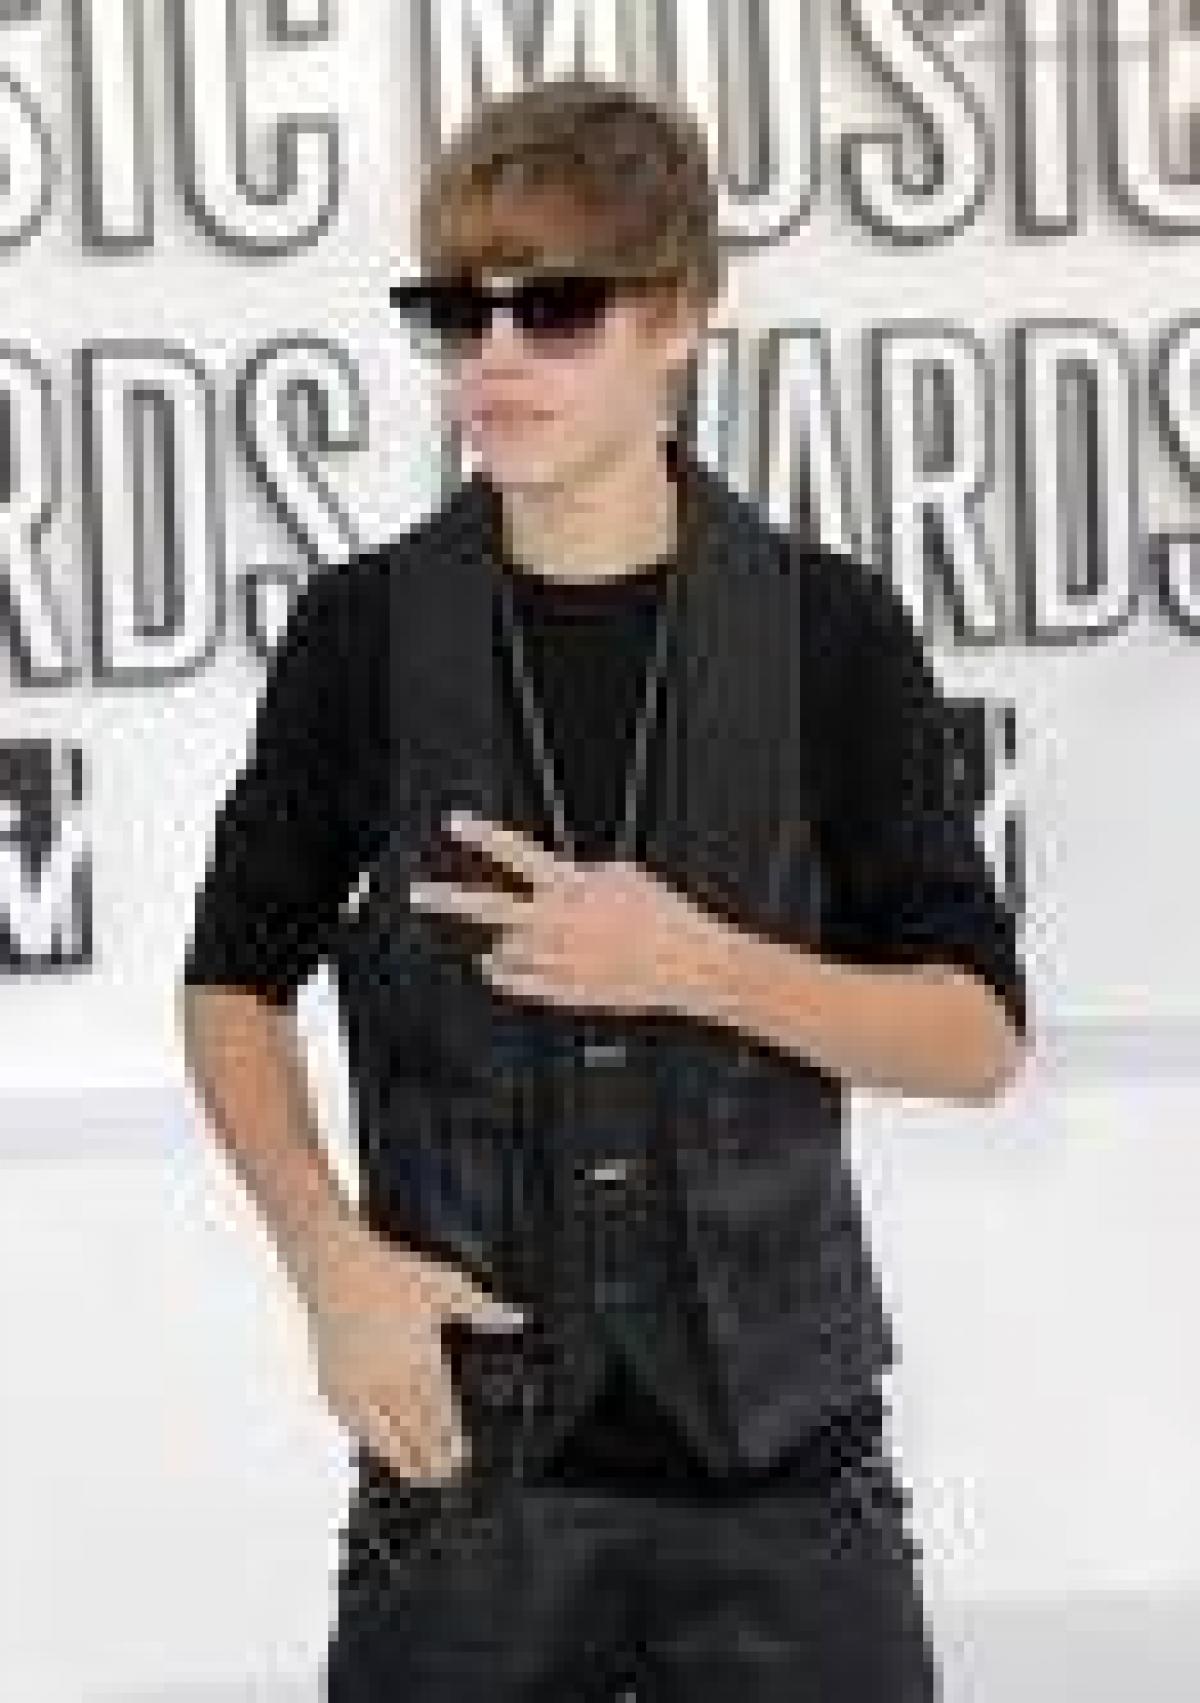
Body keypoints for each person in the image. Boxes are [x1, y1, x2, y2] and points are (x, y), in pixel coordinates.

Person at [179, 76, 1028, 1701]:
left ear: (683, 318)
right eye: (459, 312)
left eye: (555, 309)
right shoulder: (363, 634)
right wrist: (328, 1261)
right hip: (462, 1484)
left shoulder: (830, 631)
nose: (494, 359)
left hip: (791, 1484)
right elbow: (232, 981)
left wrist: (700, 963)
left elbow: (977, 1037)